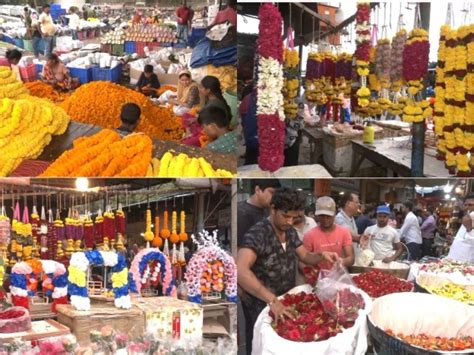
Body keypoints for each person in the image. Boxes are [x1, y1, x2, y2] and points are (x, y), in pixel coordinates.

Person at [237, 188, 339, 355]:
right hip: (260, 304)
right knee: (261, 343)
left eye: (294, 217)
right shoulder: (258, 234)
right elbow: (241, 270)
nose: (290, 221)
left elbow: (304, 255)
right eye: (286, 216)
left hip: (284, 301)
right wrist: (271, 300)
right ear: (273, 209)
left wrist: (322, 255)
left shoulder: (289, 232)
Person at [302, 196, 355, 270]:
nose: (325, 219)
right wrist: (310, 271)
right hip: (318, 279)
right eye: (322, 216)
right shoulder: (309, 235)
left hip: (339, 277)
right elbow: (303, 259)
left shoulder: (344, 232)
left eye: (328, 216)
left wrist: (342, 261)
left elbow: (351, 258)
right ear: (317, 216)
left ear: (334, 214)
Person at [237, 179, 281, 247]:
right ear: (258, 190)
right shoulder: (240, 211)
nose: (274, 197)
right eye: (271, 192)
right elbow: (238, 247)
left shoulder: (269, 210)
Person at [448, 194, 474, 263]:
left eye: (470, 205)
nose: (466, 208)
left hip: (466, 262)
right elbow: (463, 238)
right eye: (465, 205)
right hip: (454, 259)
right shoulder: (467, 218)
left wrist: (469, 229)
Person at [293, 210, 317, 285]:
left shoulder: (312, 222)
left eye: (299, 209)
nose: (297, 214)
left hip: (314, 270)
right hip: (295, 274)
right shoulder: (286, 226)